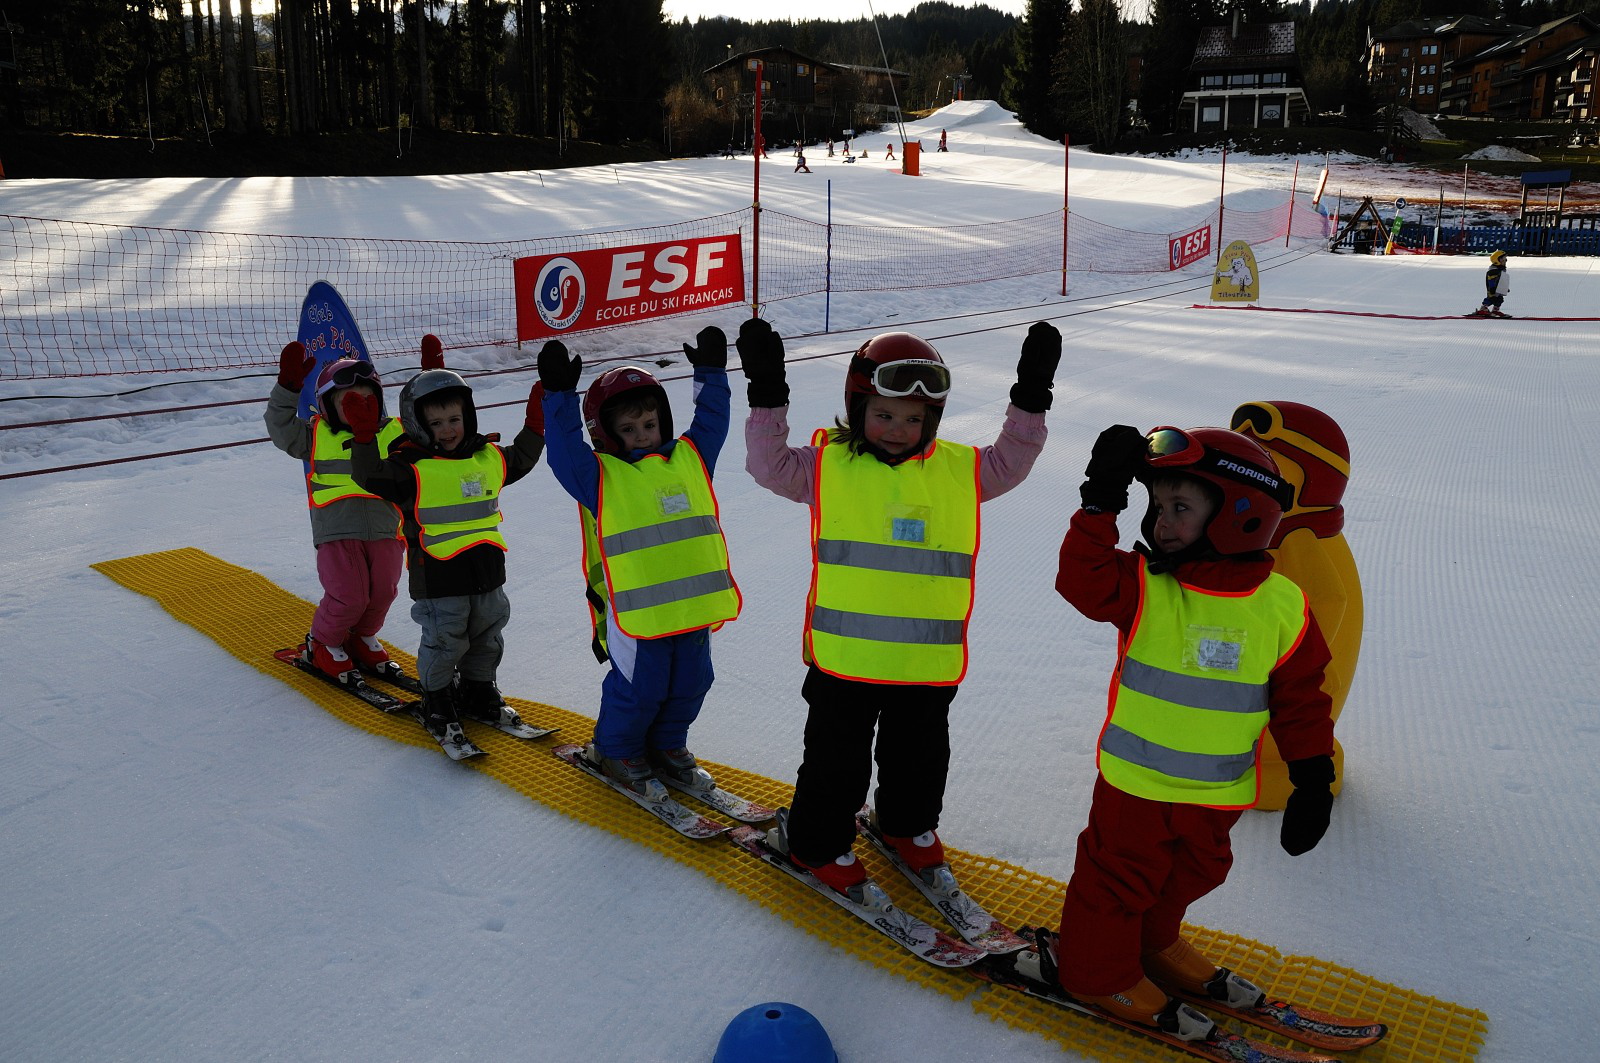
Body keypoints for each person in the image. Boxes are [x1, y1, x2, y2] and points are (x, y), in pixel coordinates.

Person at [1015, 424, 1336, 1038]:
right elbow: (1079, 580)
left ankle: (1152, 944)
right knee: (1115, 882)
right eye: (1157, 506)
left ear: (1240, 513)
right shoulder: (1144, 584)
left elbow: (1302, 700)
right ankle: (1095, 970)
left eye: (1180, 507)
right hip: (1136, 786)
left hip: (1217, 795)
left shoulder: (1282, 605)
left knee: (1192, 876)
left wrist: (1312, 779)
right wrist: (1099, 503)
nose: (1161, 521)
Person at [741, 318, 1059, 899]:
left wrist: (1030, 396)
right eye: (884, 414)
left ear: (932, 421)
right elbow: (766, 466)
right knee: (836, 766)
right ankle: (815, 844)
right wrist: (767, 392)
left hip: (924, 663)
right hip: (845, 664)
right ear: (857, 406)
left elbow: (1012, 460)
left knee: (920, 760)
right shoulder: (827, 466)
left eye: (914, 419)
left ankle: (905, 826)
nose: (897, 429)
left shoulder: (961, 470)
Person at [537, 329, 740, 800]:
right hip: (637, 614)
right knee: (641, 688)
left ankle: (668, 745)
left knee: (692, 682)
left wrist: (711, 374)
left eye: (649, 425)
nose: (643, 436)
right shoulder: (600, 477)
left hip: (691, 609)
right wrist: (558, 395)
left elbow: (712, 421)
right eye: (628, 430)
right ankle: (617, 749)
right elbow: (565, 452)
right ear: (605, 434)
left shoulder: (689, 459)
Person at [346, 358, 547, 753]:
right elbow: (368, 476)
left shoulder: (485, 457)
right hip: (438, 579)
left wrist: (536, 425)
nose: (448, 430)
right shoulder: (409, 468)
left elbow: (520, 458)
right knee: (445, 642)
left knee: (487, 637)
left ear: (468, 416)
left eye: (454, 419)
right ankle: (436, 697)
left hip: (488, 573)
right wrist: (365, 437)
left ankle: (478, 689)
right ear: (418, 425)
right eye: (436, 424)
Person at [265, 337, 445, 684]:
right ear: (328, 407)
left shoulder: (394, 433)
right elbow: (280, 427)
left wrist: (432, 378)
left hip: (386, 530)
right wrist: (287, 388)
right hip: (338, 532)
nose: (359, 406)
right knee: (348, 594)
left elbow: (429, 428)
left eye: (367, 399)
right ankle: (323, 643)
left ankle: (361, 638)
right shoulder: (315, 435)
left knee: (383, 592)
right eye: (348, 401)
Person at [1472, 249, 1510, 317]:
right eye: (1503, 259)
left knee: (1499, 299)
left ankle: (1495, 311)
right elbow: (1491, 280)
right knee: (1491, 298)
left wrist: (1504, 287)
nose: (1505, 261)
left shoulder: (1501, 269)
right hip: (1492, 289)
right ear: (1497, 261)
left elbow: (1502, 279)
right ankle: (1483, 309)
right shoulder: (1493, 271)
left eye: (1505, 259)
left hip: (1499, 289)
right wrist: (1492, 287)